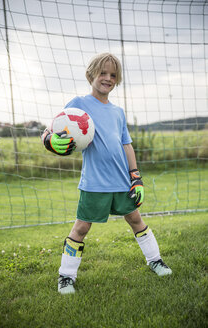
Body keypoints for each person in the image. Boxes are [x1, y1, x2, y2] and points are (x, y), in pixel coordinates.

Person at [41, 53, 172, 294]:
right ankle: (66, 276)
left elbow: (126, 145)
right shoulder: (79, 104)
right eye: (103, 73)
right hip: (95, 182)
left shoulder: (118, 112)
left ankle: (155, 260)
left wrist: (136, 176)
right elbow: (51, 128)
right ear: (91, 74)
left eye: (113, 75)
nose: (108, 78)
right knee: (81, 228)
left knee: (136, 220)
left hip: (122, 180)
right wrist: (48, 139)